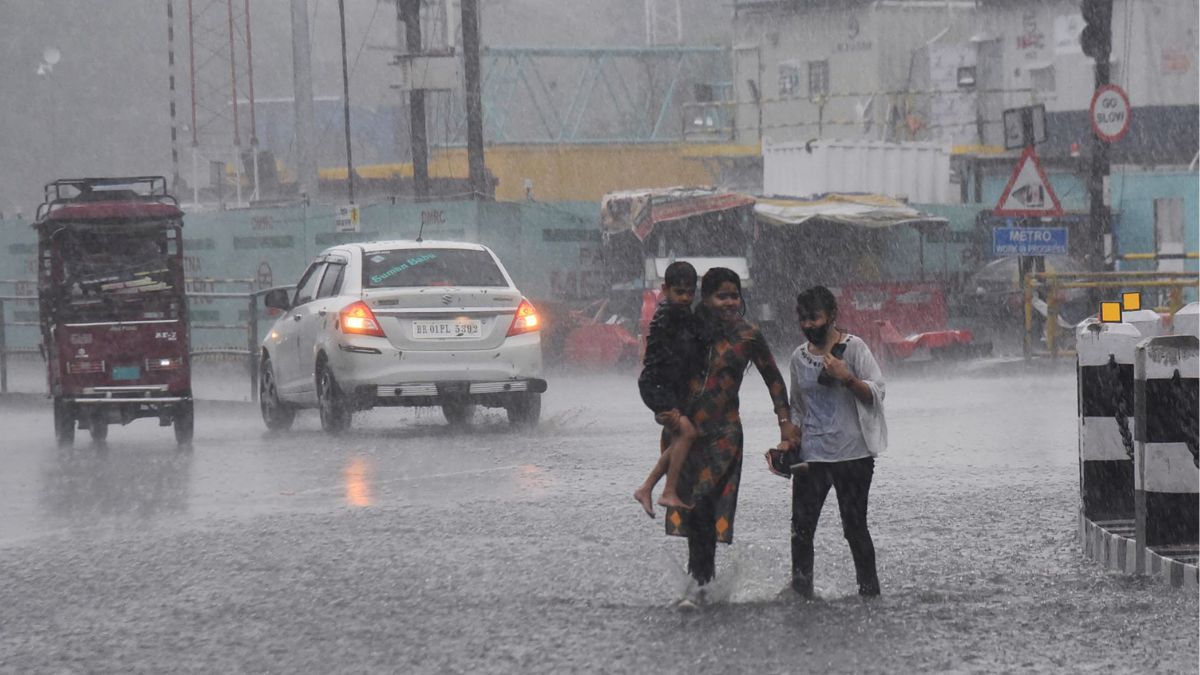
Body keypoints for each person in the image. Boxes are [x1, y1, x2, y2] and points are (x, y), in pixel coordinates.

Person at [666, 267, 794, 605]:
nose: (730, 303)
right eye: (722, 296)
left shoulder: (748, 335)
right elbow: (660, 370)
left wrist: (785, 424)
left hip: (724, 436)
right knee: (692, 509)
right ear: (705, 299)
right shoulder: (690, 330)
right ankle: (701, 582)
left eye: (734, 295)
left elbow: (774, 380)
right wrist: (662, 407)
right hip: (686, 435)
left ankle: (699, 586)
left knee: (704, 502)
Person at [774, 285, 887, 599]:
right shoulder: (798, 357)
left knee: (854, 529)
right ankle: (801, 590)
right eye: (803, 319)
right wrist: (789, 438)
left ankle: (869, 592)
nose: (809, 325)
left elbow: (877, 393)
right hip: (812, 457)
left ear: (832, 316)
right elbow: (797, 405)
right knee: (801, 529)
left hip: (854, 456)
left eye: (815, 318)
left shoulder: (854, 348)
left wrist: (847, 377)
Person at [634, 261, 704, 516]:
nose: (685, 298)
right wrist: (666, 404)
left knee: (680, 439)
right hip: (657, 385)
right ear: (665, 289)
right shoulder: (670, 316)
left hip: (663, 385)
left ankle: (646, 487)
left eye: (690, 292)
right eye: (679, 292)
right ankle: (668, 492)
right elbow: (673, 361)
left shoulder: (679, 313)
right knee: (687, 433)